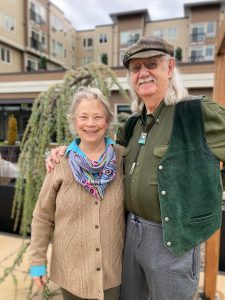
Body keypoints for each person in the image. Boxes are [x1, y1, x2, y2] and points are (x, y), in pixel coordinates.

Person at [46, 36, 225, 300]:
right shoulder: (133, 125)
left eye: (151, 64)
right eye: (136, 68)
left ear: (170, 67)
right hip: (130, 233)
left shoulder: (196, 113)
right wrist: (67, 150)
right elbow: (100, 152)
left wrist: (206, 194)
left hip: (172, 239)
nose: (143, 73)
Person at [29, 87, 125, 300]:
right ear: (74, 122)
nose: (90, 124)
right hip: (71, 275)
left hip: (112, 274)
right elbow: (42, 217)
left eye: (97, 117)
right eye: (83, 117)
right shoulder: (60, 162)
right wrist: (37, 264)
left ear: (107, 121)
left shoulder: (123, 159)